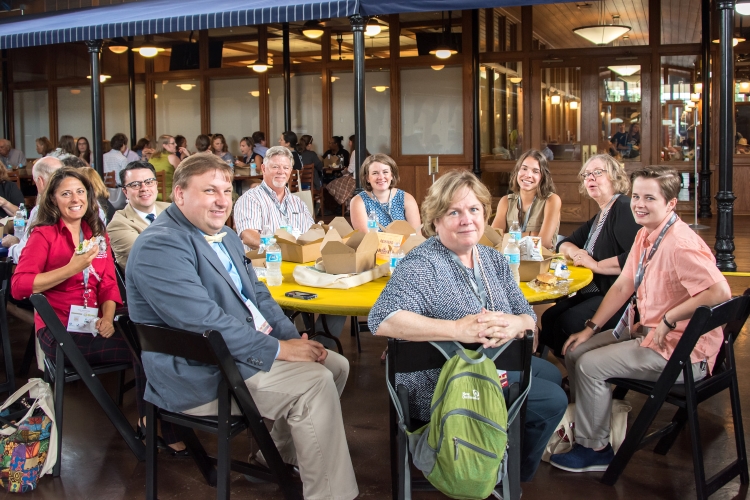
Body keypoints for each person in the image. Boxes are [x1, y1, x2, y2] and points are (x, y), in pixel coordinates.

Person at [126, 154, 358, 500]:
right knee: (316, 382)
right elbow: (203, 322)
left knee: (334, 363)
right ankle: (330, 495)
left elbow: (261, 297)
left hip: (230, 354)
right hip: (199, 370)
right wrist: (280, 350)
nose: (222, 201)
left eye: (226, 191)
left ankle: (273, 458)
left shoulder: (228, 237)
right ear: (179, 195)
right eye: (209, 191)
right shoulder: (160, 244)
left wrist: (292, 339)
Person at [368, 169, 567, 482]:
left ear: (485, 214)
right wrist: (457, 329)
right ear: (435, 221)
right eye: (454, 212)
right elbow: (382, 319)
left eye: (474, 210)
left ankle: (499, 449)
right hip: (445, 380)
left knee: (552, 374)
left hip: (489, 362)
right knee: (553, 400)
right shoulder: (422, 263)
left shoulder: (492, 259)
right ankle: (507, 474)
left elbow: (527, 314)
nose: (467, 219)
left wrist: (515, 323)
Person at [549, 166, 731, 473]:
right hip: (647, 333)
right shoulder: (647, 235)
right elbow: (623, 285)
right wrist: (590, 329)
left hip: (682, 352)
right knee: (577, 350)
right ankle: (593, 425)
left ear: (671, 203)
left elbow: (720, 291)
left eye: (650, 198)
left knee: (592, 366)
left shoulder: (680, 244)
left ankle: (595, 448)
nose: (639, 204)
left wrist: (671, 318)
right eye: (636, 196)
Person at [9, 167, 145, 441]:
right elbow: (19, 286)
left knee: (150, 336)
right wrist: (72, 268)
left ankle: (155, 421)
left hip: (94, 322)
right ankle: (150, 426)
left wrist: (107, 317)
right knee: (143, 350)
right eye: (66, 193)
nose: (75, 199)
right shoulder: (43, 235)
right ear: (53, 200)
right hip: (58, 330)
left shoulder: (96, 232)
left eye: (80, 192)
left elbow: (108, 283)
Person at [539, 154, 640, 358]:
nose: (590, 178)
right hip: (594, 291)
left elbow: (638, 256)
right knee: (550, 317)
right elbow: (563, 243)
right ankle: (569, 368)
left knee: (566, 322)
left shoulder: (622, 209)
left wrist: (596, 265)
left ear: (614, 177)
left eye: (597, 173)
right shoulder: (601, 215)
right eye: (586, 175)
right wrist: (577, 253)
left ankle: (582, 370)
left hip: (620, 298)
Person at [234, 146, 314, 251]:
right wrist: (279, 249)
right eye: (275, 167)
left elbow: (312, 234)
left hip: (297, 261)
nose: (281, 172)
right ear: (263, 169)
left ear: (290, 170)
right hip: (265, 264)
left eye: (286, 168)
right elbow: (249, 236)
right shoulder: (250, 199)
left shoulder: (298, 203)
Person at [491, 149, 561, 250]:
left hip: (539, 263)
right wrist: (532, 234)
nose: (528, 175)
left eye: (535, 171)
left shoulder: (552, 200)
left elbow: (544, 242)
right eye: (524, 169)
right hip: (509, 260)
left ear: (542, 177)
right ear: (517, 171)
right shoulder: (505, 201)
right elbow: (494, 239)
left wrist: (508, 237)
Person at [108, 161, 170, 269]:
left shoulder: (171, 209)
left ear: (156, 185)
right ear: (125, 192)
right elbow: (155, 256)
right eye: (135, 185)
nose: (144, 188)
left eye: (149, 182)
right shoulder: (118, 225)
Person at [3, 157, 63, 261]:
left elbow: (25, 255)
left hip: (50, 272)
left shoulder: (41, 211)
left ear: (40, 181)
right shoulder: (86, 205)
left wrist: (13, 245)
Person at [350, 154, 420, 232]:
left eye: (385, 172)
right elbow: (365, 237)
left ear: (392, 175)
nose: (381, 177)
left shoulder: (406, 198)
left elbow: (416, 236)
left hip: (405, 244)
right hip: (373, 243)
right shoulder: (358, 201)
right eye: (375, 173)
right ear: (367, 178)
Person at [102, 133, 131, 210]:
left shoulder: (103, 156)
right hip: (118, 193)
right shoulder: (122, 159)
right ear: (123, 145)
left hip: (104, 190)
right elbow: (124, 178)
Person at [148, 135, 180, 200]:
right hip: (169, 195)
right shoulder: (172, 158)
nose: (176, 145)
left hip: (152, 195)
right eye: (173, 143)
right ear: (164, 145)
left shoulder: (151, 158)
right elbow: (183, 175)